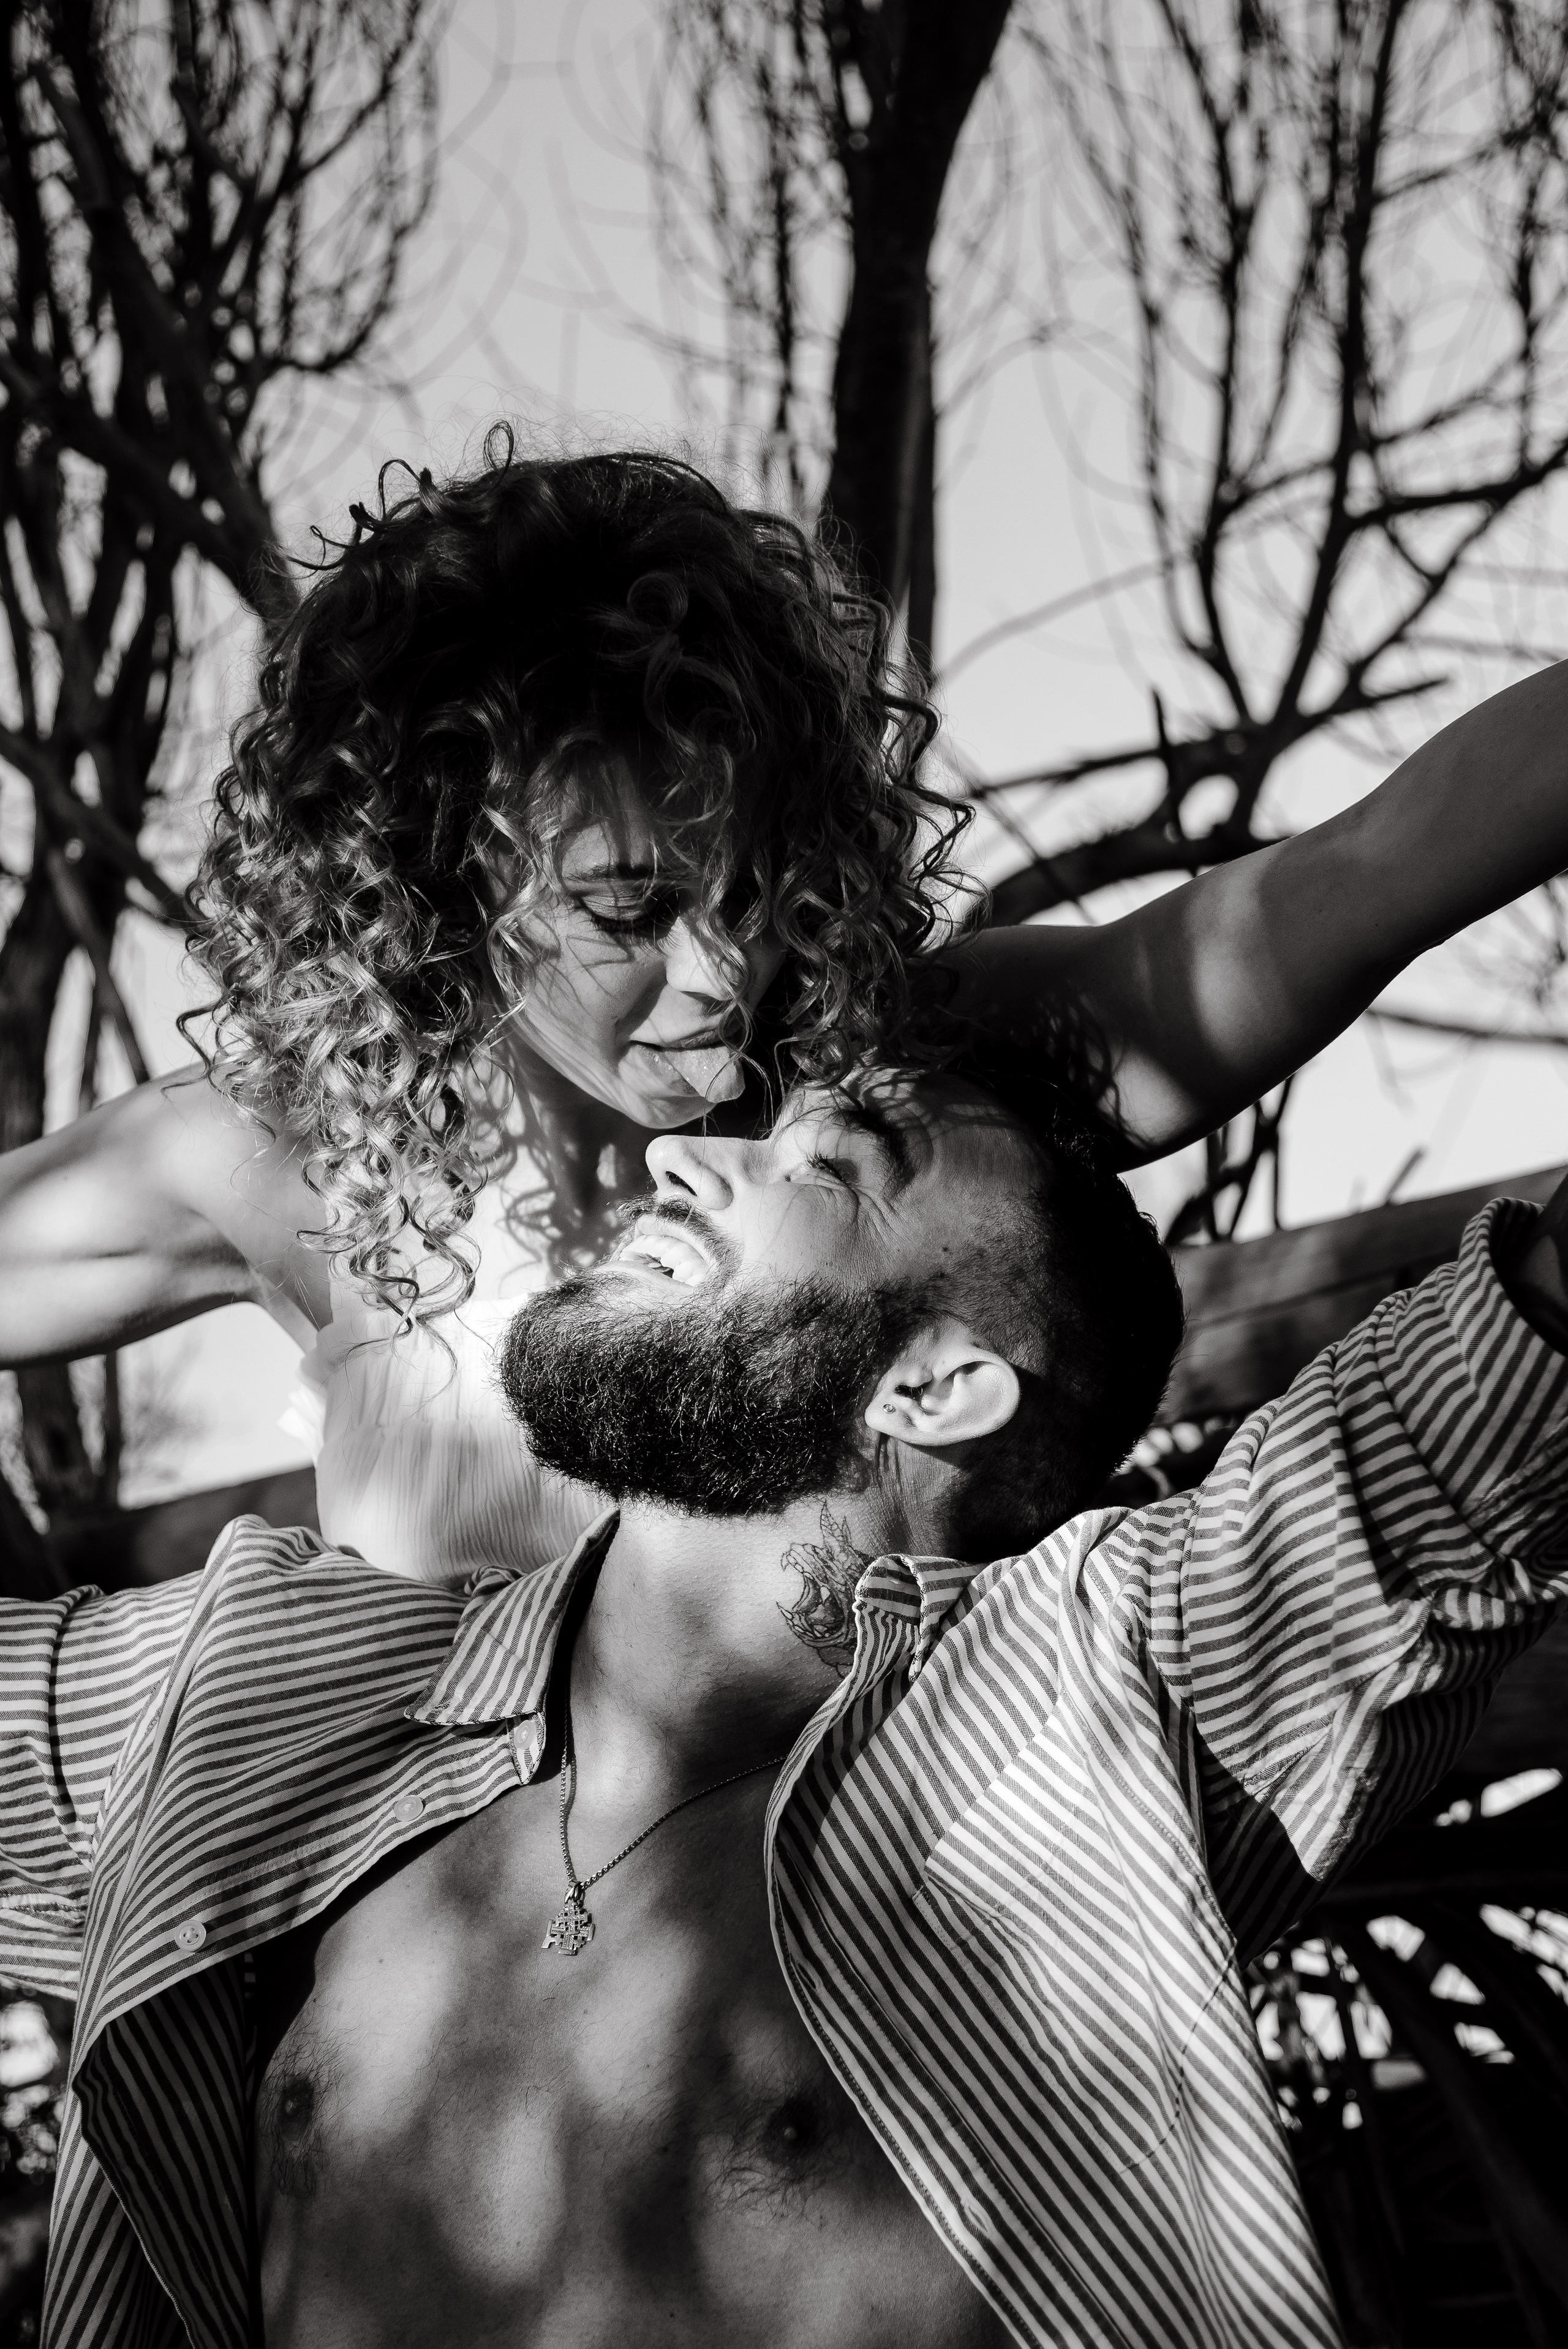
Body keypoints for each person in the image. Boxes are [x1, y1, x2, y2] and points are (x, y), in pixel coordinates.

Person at [3, 1062, 1564, 2349]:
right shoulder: (264, 1689)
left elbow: (1467, 1419)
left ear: (934, 1389)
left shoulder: (1100, 1705)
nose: (680, 1153)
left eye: (827, 1166)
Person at [4, 433, 1568, 1584]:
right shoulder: (289, 1169)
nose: (719, 976)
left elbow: (1366, 870)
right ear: (433, 883)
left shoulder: (895, 1092)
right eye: (628, 910)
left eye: (749, 889)